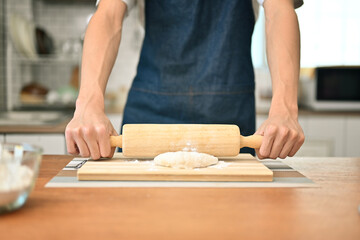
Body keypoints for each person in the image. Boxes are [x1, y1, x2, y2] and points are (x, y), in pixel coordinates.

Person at [65, 0, 305, 160]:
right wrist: (88, 104)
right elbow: (108, 13)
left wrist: (284, 108)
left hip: (228, 121)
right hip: (149, 118)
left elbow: (279, 9)